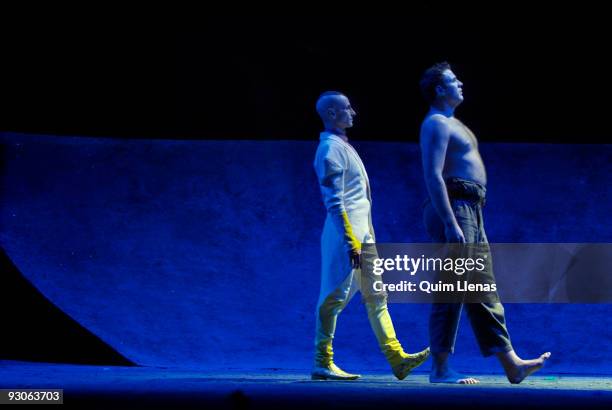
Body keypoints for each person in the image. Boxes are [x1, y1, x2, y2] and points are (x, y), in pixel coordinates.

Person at [419, 62, 551, 384]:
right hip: (455, 206)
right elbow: (433, 176)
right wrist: (451, 223)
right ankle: (439, 369)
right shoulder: (436, 123)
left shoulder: (453, 122)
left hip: (471, 209)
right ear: (439, 89)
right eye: (453, 80)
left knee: (480, 288)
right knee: (451, 289)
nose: (461, 83)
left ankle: (511, 364)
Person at [311, 91, 430, 380]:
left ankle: (397, 358)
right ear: (331, 114)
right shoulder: (329, 150)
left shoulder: (342, 147)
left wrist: (365, 239)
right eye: (346, 108)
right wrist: (350, 241)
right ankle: (322, 362)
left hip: (363, 236)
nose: (353, 111)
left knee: (377, 296)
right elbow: (335, 202)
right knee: (333, 298)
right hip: (346, 237)